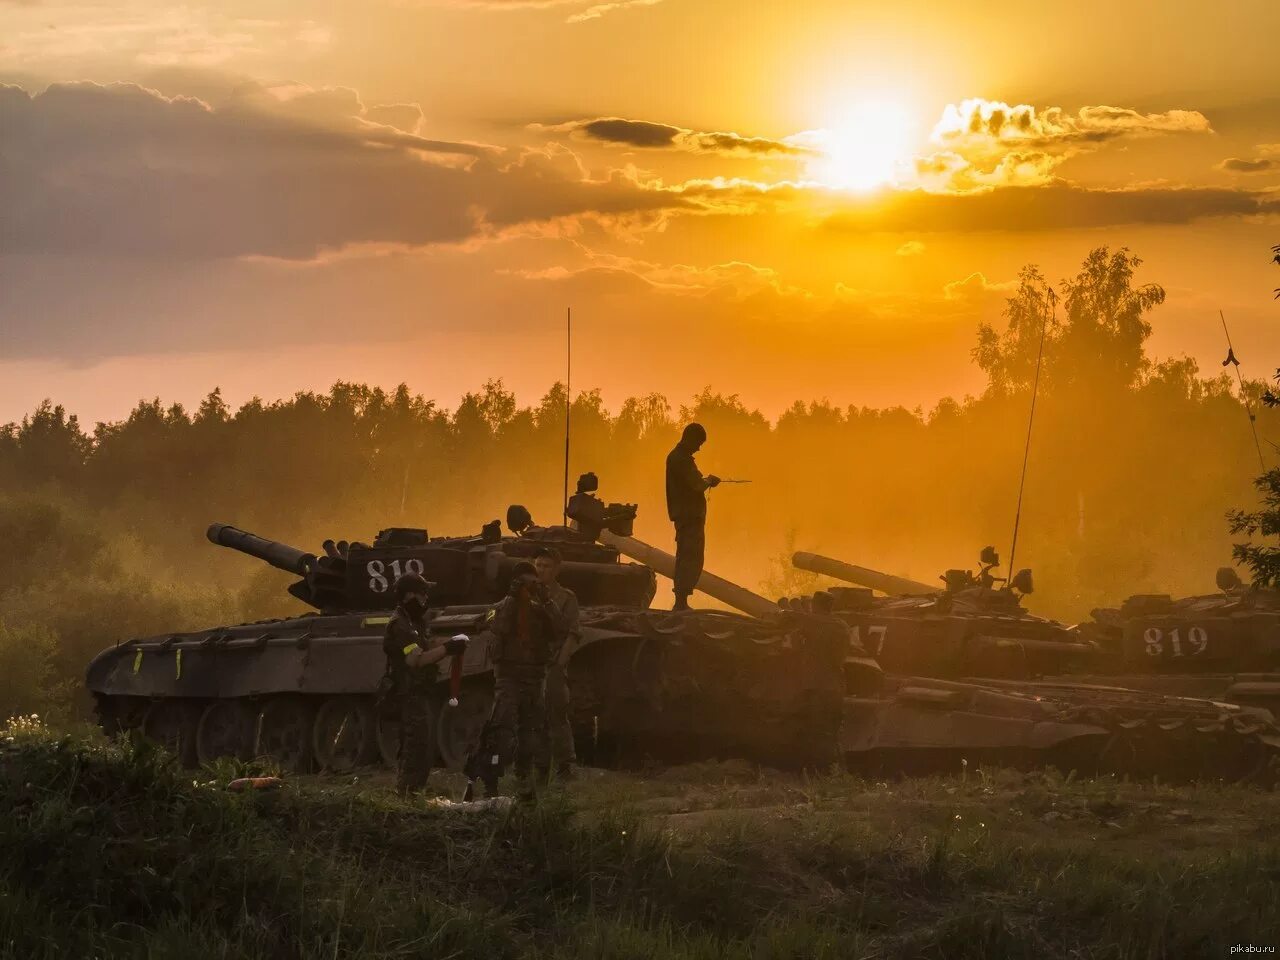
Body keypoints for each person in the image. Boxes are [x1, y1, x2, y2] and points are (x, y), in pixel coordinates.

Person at [382, 572, 467, 795]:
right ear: (409, 594)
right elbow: (415, 660)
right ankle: (408, 793)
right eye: (422, 593)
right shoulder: (400, 625)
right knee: (416, 745)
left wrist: (449, 642)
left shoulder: (412, 621)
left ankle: (414, 790)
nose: (425, 598)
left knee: (423, 745)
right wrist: (448, 649)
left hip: (418, 691)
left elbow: (425, 647)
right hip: (409, 692)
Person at [488, 559, 563, 797]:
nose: (530, 586)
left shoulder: (540, 608)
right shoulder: (503, 606)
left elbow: (559, 628)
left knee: (533, 730)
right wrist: (512, 597)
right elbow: (498, 627)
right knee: (503, 726)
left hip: (534, 676)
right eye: (526, 582)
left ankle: (526, 776)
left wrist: (546, 599)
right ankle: (493, 777)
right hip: (509, 676)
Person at [534, 545, 581, 780]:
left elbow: (573, 633)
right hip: (529, 664)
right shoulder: (525, 592)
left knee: (557, 715)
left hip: (551, 664)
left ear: (556, 570)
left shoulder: (566, 598)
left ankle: (565, 766)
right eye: (538, 565)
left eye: (547, 566)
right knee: (534, 718)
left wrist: (559, 664)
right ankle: (539, 767)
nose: (541, 570)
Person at [665, 422, 719, 611]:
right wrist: (710, 480)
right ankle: (681, 602)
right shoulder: (681, 459)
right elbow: (697, 484)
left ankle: (682, 600)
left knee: (688, 556)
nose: (699, 448)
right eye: (698, 443)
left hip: (686, 517)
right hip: (689, 517)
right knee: (689, 556)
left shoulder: (677, 458)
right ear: (690, 438)